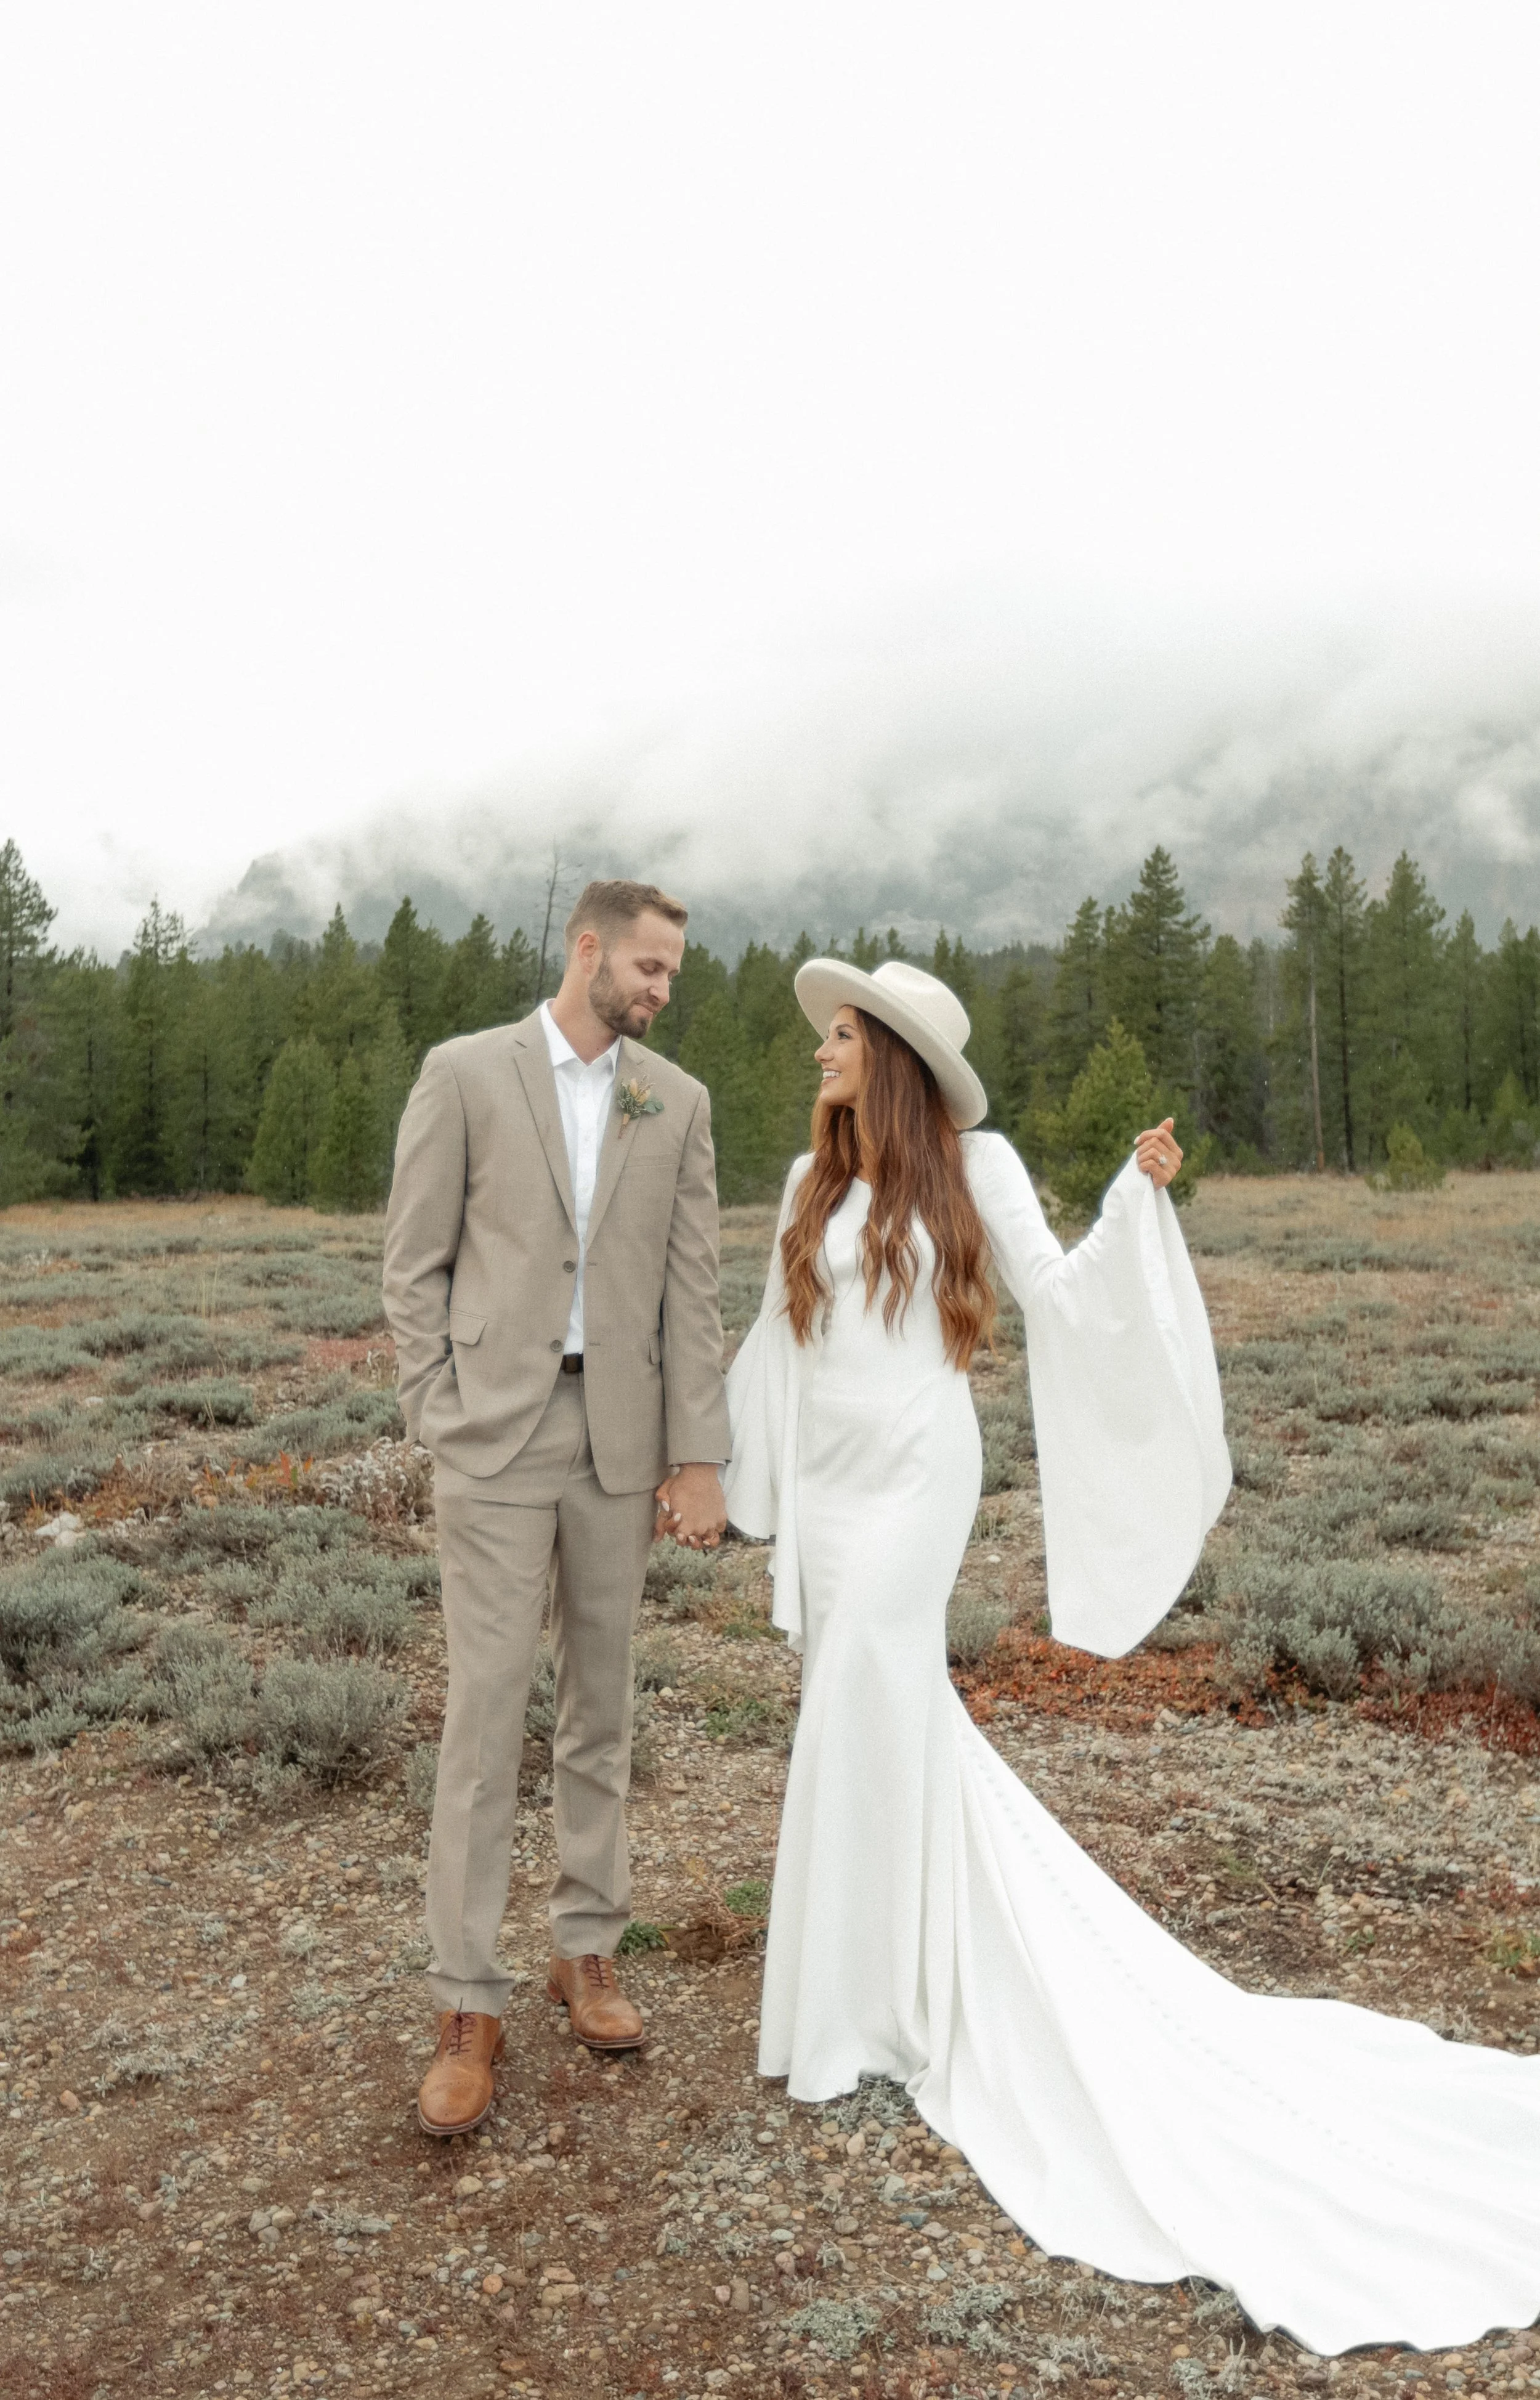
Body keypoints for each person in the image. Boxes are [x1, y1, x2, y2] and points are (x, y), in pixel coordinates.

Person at [724, 956, 1540, 2358]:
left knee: (875, 1690)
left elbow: (1060, 1292)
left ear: (897, 1057)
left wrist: (1132, 1194)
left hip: (918, 1475)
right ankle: (862, 1992)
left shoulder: (970, 1166)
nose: (822, 1056)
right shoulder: (815, 1188)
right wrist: (734, 1484)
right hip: (836, 1481)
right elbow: (776, 1349)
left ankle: (876, 2008)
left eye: (842, 1039)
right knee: (862, 1718)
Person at [383, 878, 729, 2136]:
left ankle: (586, 1948)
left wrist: (697, 1453)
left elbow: (691, 1291)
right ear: (586, 951)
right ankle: (465, 2003)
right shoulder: (466, 1073)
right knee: (485, 1714)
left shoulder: (674, 1100)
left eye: (672, 974)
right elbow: (410, 1261)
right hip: (493, 1433)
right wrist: (437, 1407)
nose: (660, 989)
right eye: (646, 966)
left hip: (618, 1439)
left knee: (600, 1702)